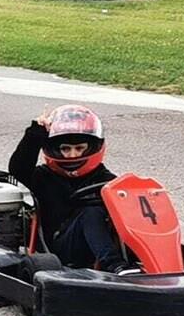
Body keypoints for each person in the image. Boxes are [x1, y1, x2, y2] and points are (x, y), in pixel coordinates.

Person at [8, 104, 135, 275]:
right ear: (55, 149)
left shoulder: (106, 179)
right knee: (91, 213)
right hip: (60, 248)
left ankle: (155, 261)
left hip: (100, 243)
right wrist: (36, 132)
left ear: (92, 147)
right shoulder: (43, 177)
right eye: (65, 149)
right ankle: (117, 266)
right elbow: (18, 168)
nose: (73, 155)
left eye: (79, 148)